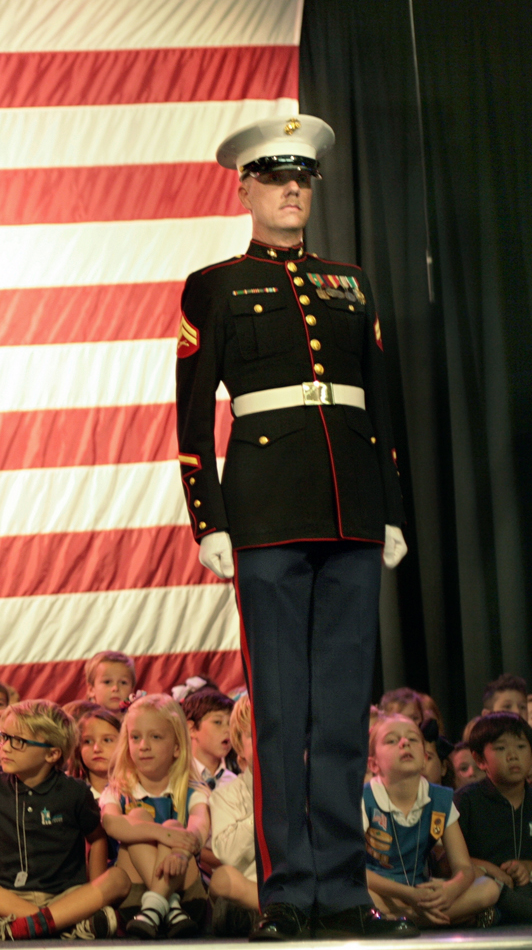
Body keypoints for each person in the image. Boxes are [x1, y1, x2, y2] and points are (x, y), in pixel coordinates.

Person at [176, 113, 414, 941]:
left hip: (350, 512)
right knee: (281, 714)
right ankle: (288, 890)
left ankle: (344, 889)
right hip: (268, 515)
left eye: (302, 177)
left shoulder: (351, 281)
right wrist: (209, 517)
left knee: (344, 713)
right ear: (244, 187)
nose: (291, 189)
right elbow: (192, 415)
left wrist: (390, 508)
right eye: (275, 177)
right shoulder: (215, 284)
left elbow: (379, 406)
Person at [0, 700, 127, 940]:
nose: (3, 747)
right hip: (10, 896)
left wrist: (92, 892)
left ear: (52, 753)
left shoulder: (75, 792)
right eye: (3, 737)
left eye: (18, 741)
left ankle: (18, 926)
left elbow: (97, 839)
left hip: (65, 896)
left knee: (118, 880)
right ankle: (62, 925)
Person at [362, 715, 498, 926]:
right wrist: (408, 895)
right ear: (373, 764)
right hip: (381, 890)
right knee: (357, 895)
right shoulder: (365, 798)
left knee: (488, 888)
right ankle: (425, 918)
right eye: (391, 740)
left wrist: (451, 890)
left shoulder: (439, 799)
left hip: (420, 891)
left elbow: (463, 866)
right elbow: (354, 870)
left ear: (425, 757)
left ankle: (403, 919)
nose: (404, 742)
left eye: (413, 739)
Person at [98, 694, 209, 939]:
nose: (143, 746)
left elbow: (200, 826)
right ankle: (165, 905)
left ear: (177, 747)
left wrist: (179, 851)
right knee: (137, 816)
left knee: (171, 823)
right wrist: (165, 834)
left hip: (188, 897)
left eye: (155, 737)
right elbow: (112, 823)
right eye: (135, 737)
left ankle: (158, 903)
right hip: (134, 902)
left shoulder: (194, 790)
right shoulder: (117, 791)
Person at [451, 712, 532, 923]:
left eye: (521, 747)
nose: (513, 755)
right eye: (501, 748)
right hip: (485, 892)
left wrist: (528, 867)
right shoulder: (466, 800)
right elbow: (442, 857)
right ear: (480, 760)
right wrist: (490, 870)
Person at [207, 696, 260, 936]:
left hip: (302, 887)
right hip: (252, 895)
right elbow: (228, 854)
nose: (264, 743)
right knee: (223, 878)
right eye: (253, 735)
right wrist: (266, 809)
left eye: (273, 732)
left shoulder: (311, 788)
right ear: (240, 747)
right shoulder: (226, 796)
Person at [181, 690, 236, 790]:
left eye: (230, 723)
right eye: (218, 722)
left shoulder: (235, 783)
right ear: (191, 729)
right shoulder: (177, 778)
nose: (228, 730)